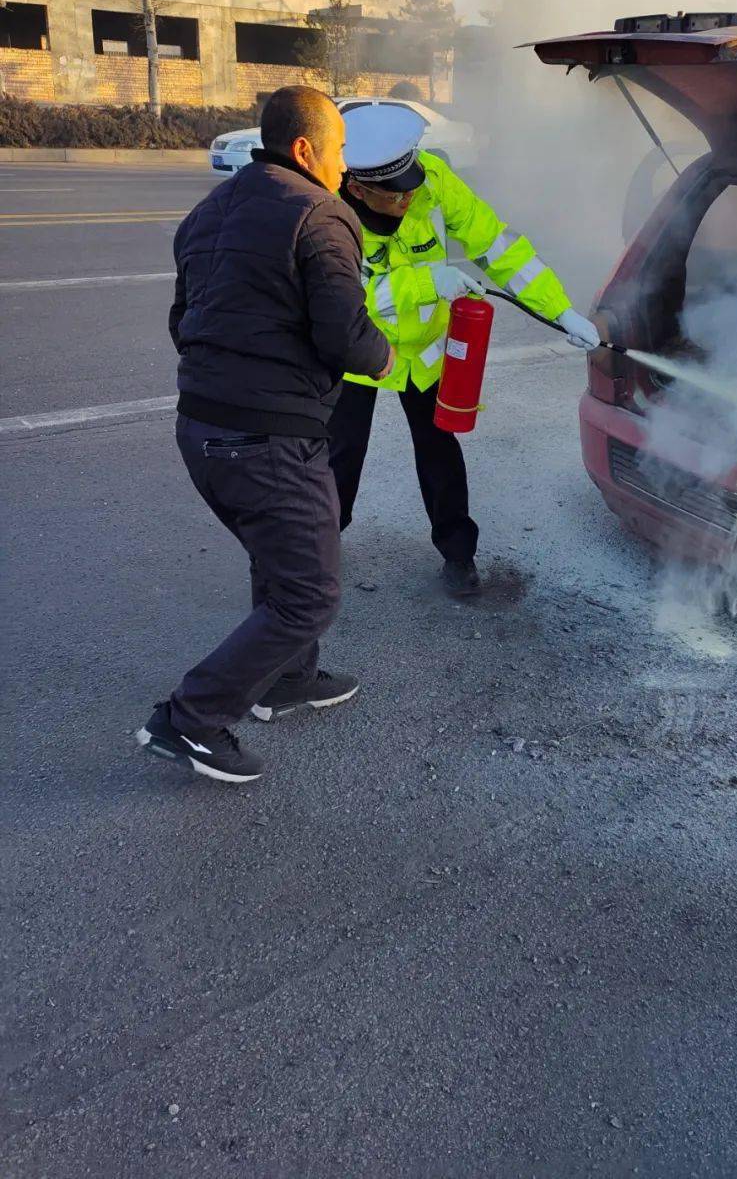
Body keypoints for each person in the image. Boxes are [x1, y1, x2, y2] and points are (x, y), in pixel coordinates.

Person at [137, 86, 394, 783]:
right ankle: (189, 719)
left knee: (281, 554)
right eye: (339, 150)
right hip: (267, 439)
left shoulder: (206, 213)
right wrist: (387, 355)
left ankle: (284, 677)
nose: (345, 166)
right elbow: (344, 335)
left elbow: (181, 319)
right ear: (307, 148)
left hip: (202, 431)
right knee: (310, 593)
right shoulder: (321, 212)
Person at [329, 102, 600, 596]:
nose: (411, 196)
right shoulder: (330, 209)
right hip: (357, 352)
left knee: (439, 452)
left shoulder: (430, 180)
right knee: (338, 457)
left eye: (412, 184)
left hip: (425, 352)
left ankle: (458, 554)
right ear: (358, 188)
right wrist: (430, 280)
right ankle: (316, 555)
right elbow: (345, 296)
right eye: (396, 194)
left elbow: (497, 247)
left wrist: (559, 311)